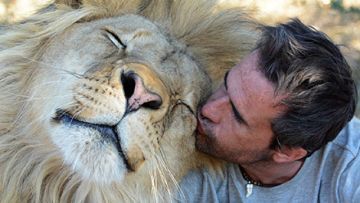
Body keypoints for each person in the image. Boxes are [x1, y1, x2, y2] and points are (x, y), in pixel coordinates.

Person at [178, 18, 359, 202]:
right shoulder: (186, 161)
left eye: (237, 115)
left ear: (287, 152)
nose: (207, 109)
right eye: (226, 84)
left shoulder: (350, 168)